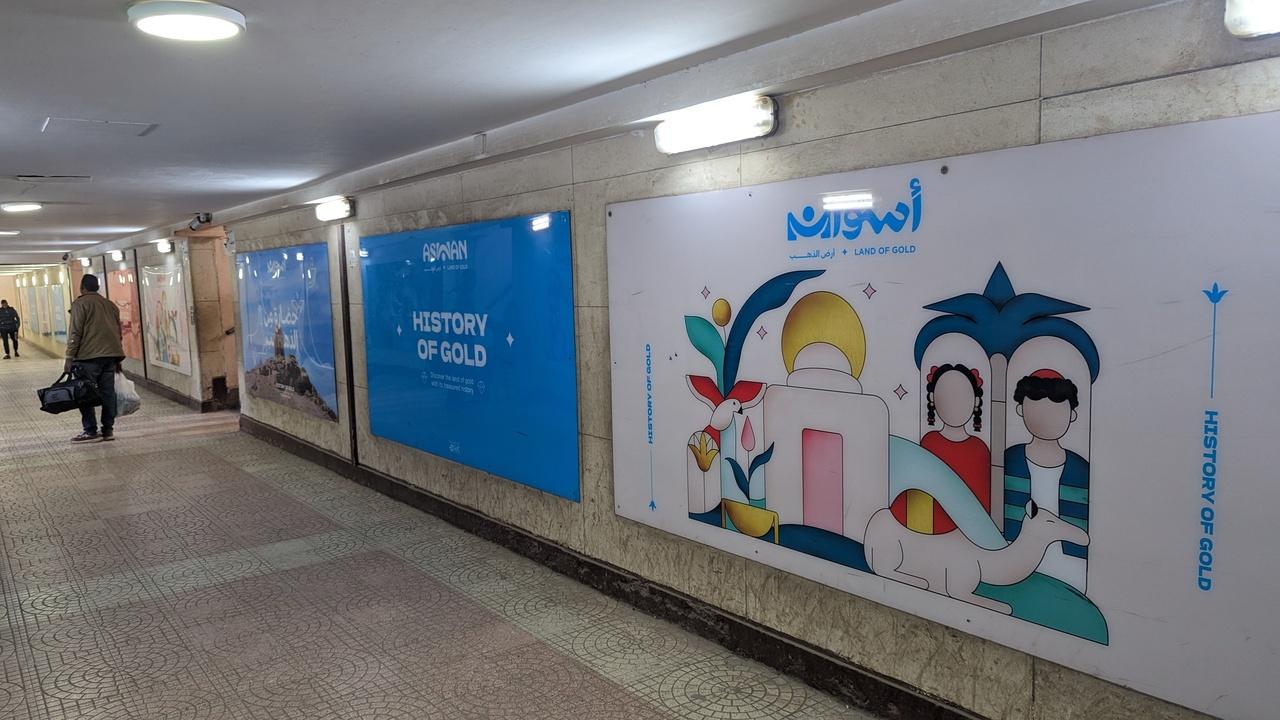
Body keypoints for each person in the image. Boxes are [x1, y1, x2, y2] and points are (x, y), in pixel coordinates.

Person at [1003, 369, 1090, 593]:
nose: (1046, 418)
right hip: (1015, 554)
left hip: (1070, 562)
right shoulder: (1008, 459)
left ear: (1072, 414)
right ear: (1020, 409)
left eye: (1056, 410)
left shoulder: (1081, 468)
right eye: (1037, 408)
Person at [892, 363, 990, 533]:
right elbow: (917, 491)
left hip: (967, 534)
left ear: (976, 401)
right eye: (947, 395)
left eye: (962, 396)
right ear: (932, 398)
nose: (954, 403)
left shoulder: (979, 449)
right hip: (928, 529)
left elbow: (982, 504)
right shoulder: (929, 442)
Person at [65, 274, 125, 443]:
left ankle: (90, 430)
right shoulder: (110, 305)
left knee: (84, 393)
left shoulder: (80, 304)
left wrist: (69, 357)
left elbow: (75, 332)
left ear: (82, 288)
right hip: (110, 356)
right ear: (97, 287)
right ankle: (108, 430)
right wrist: (117, 357)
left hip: (88, 357)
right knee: (108, 393)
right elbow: (118, 332)